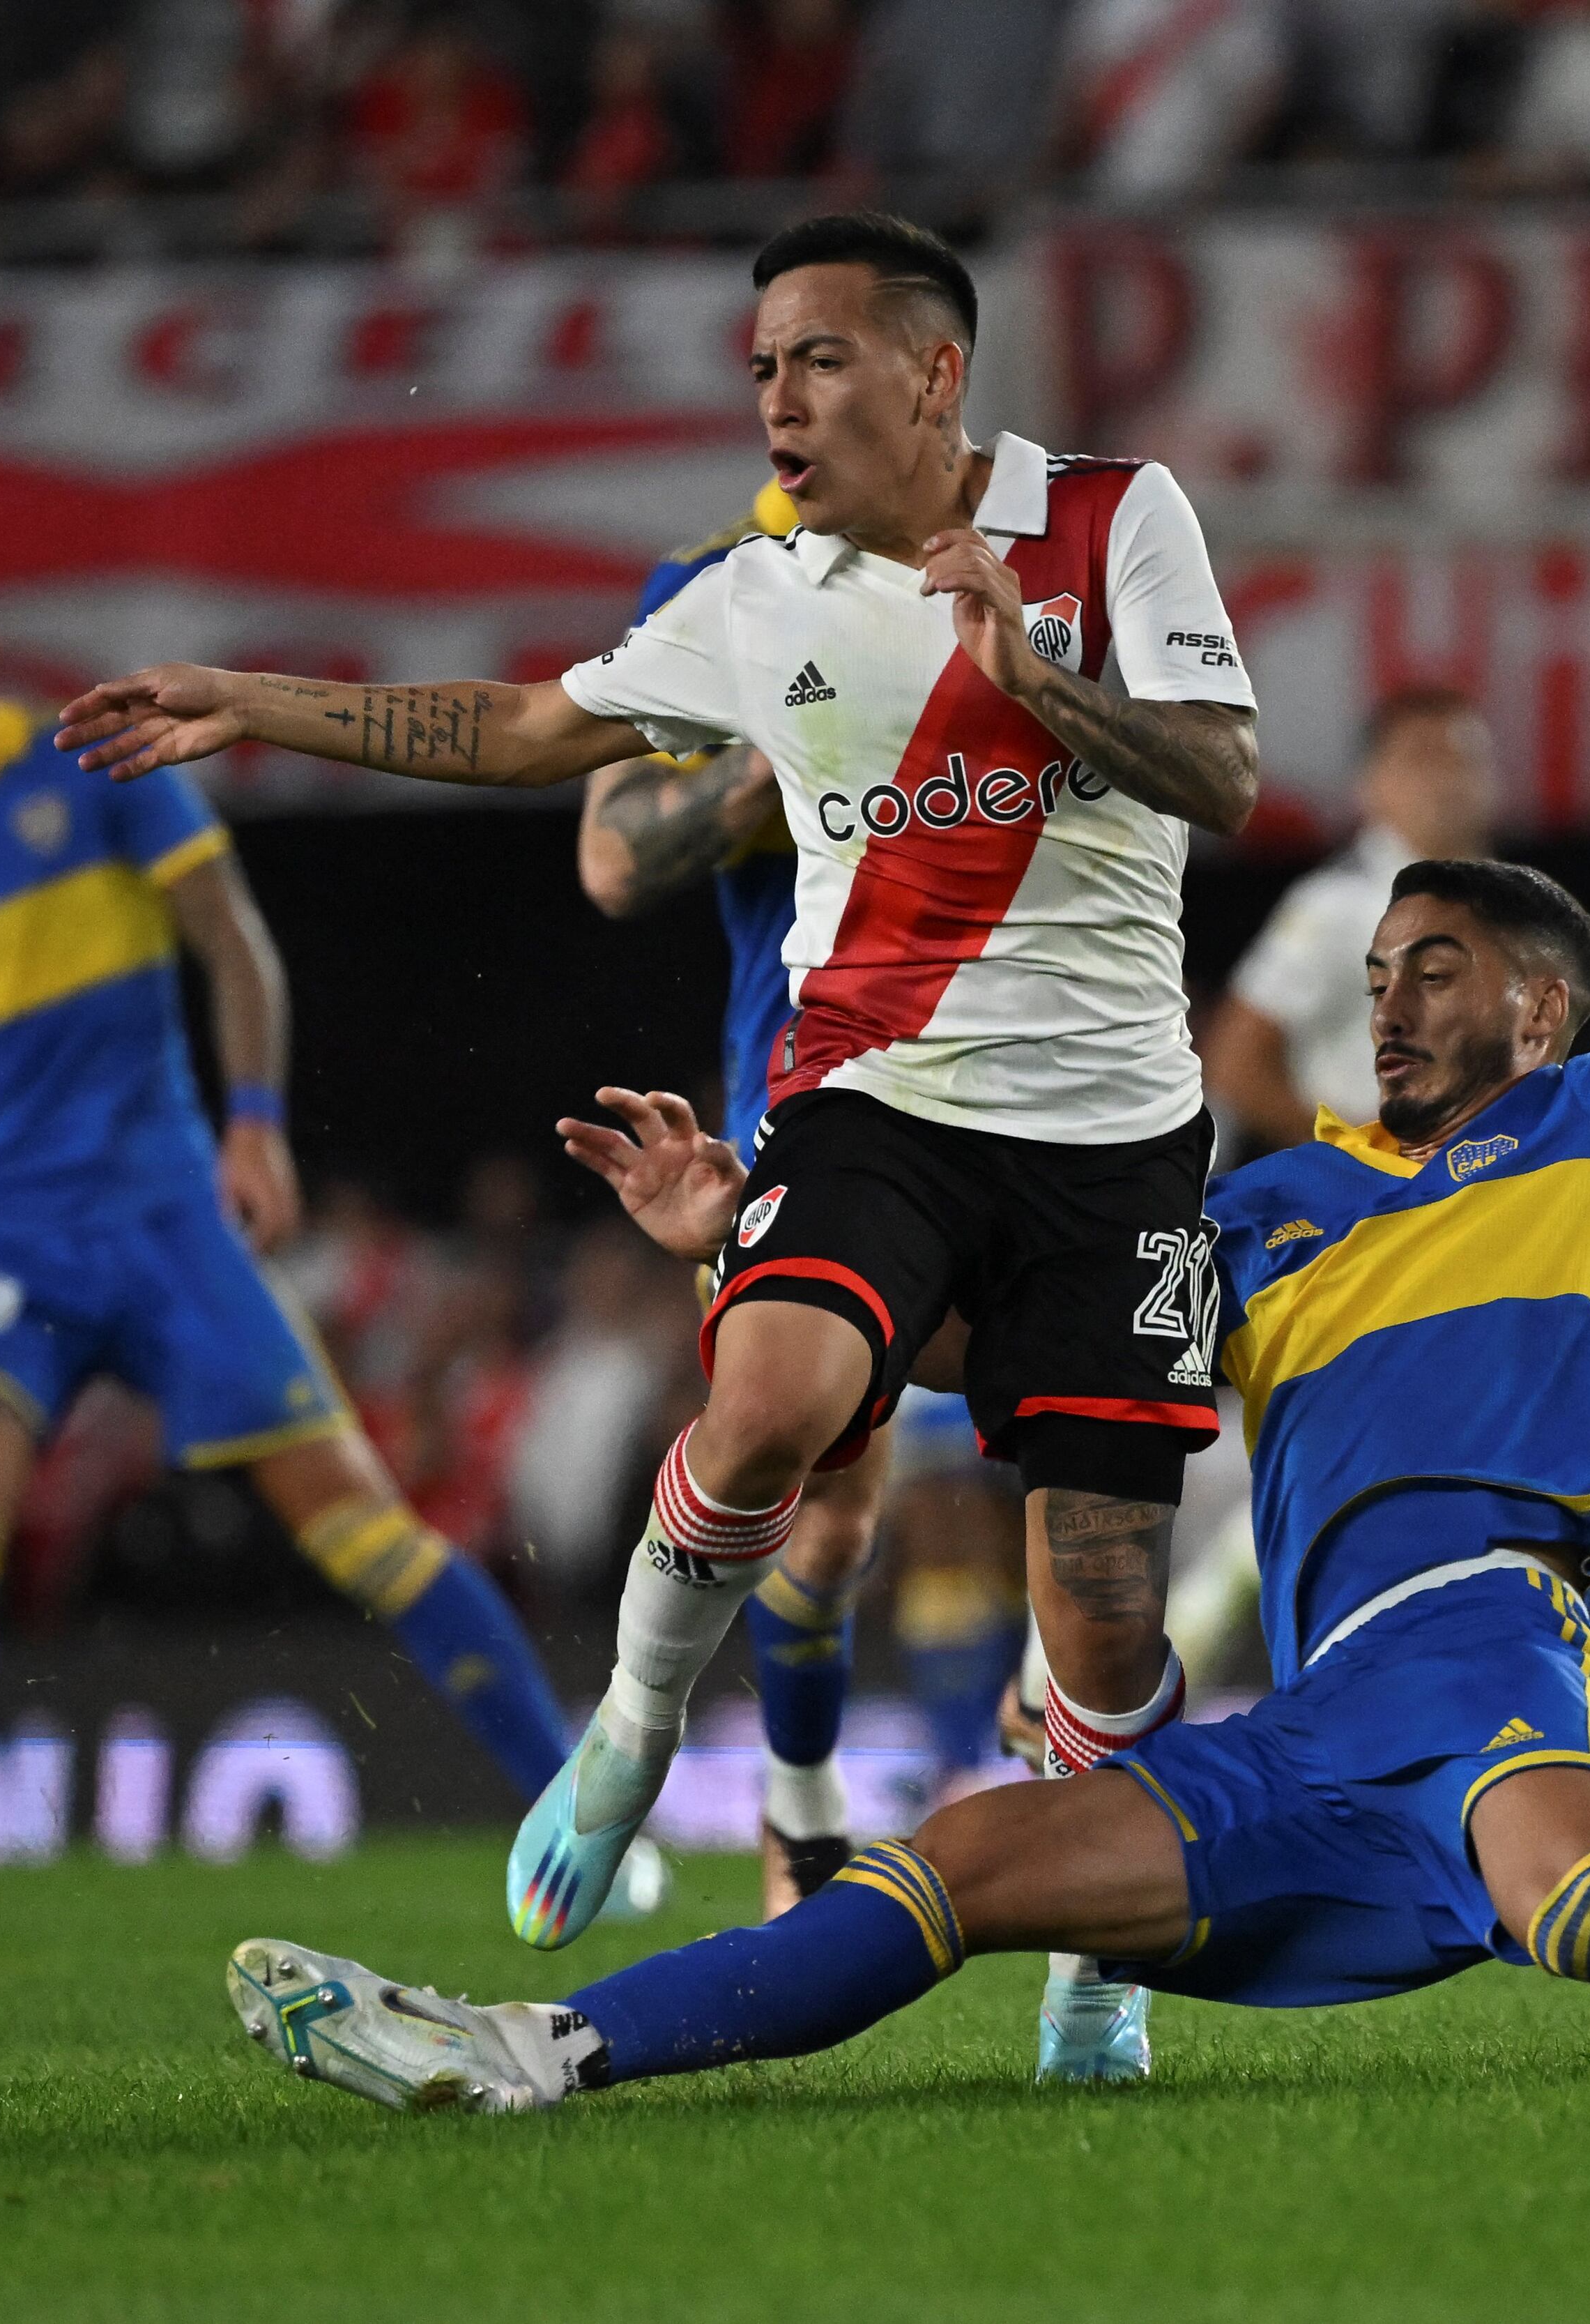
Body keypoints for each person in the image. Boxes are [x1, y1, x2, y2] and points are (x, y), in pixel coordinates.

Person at [216, 458, 1590, 2116]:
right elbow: (998, 1340)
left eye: (1430, 971)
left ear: (1543, 1002)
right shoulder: (1271, 1202)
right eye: (1373, 976)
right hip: (1302, 1724)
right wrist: (744, 1231)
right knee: (961, 1862)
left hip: (1484, 1644)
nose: (1385, 1003)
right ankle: (524, 2052)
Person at [68, 211, 1264, 2080]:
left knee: (1103, 1619)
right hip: (871, 1099)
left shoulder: (1115, 519)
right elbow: (531, 727)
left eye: (821, 358)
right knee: (773, 1393)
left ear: (937, 372)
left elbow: (1228, 776)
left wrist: (1046, 687)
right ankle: (632, 1719)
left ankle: (1093, 1946)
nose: (779, 397)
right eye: (763, 365)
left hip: (1115, 1135)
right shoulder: (757, 592)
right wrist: (257, 701)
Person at [0, 517, 579, 1941]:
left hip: (164, 1222)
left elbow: (232, 938)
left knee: (367, 1531)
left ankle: (579, 1825)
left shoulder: (86, 756)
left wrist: (257, 1118)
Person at [573, 476, 899, 1917]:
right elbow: (611, 848)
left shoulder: (1017, 567)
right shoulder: (709, 583)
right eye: (782, 367)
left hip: (1023, 1081)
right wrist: (767, 765)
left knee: (1082, 1506)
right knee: (816, 1504)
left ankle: (1102, 1967)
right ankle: (783, 1781)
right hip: (807, 1084)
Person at [1206, 688, 1497, 1151]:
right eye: (1421, 760)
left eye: (1462, 759)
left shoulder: (1515, 911)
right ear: (1371, 786)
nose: (1445, 779)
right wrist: (1358, 1154)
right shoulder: (1335, 905)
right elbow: (1234, 1065)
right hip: (1376, 1207)